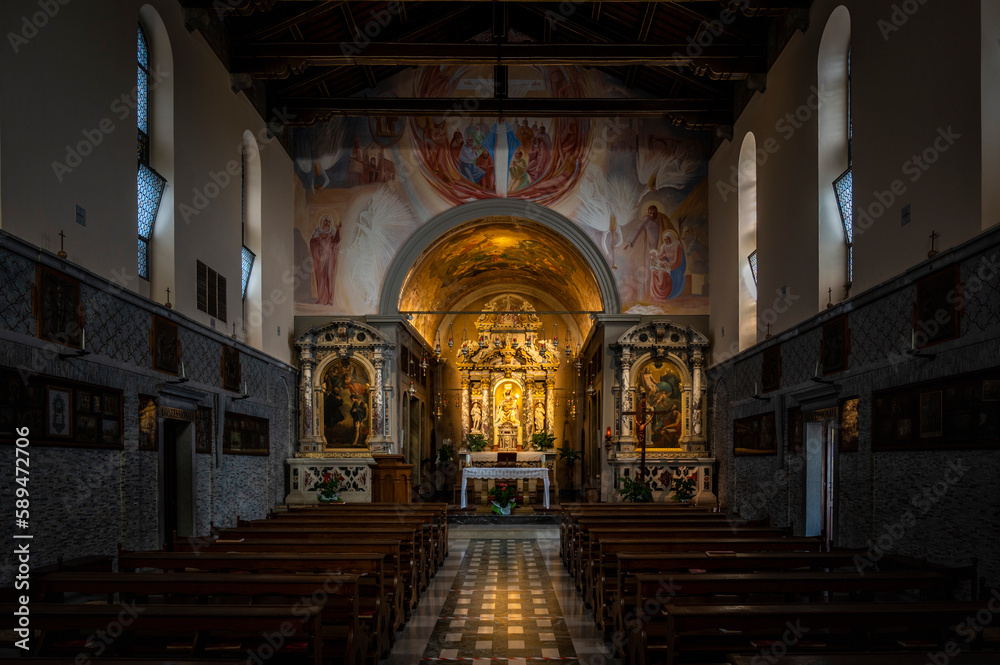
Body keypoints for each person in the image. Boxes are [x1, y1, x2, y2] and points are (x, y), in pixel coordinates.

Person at [310, 214, 342, 306]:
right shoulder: (318, 231)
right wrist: (321, 237)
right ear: (322, 221)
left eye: (329, 221)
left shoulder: (332, 231)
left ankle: (329, 300)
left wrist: (338, 230)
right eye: (326, 220)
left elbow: (337, 241)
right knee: (320, 278)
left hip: (330, 258)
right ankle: (321, 299)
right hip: (320, 258)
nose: (327, 223)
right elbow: (312, 242)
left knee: (329, 277)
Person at [649, 230, 686, 301]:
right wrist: (654, 258)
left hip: (674, 266)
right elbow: (660, 256)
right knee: (653, 271)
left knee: (661, 273)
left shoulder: (677, 246)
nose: (666, 241)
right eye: (665, 240)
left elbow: (677, 261)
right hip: (665, 265)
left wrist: (667, 265)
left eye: (668, 239)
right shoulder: (664, 246)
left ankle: (663, 294)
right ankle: (655, 294)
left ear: (671, 238)